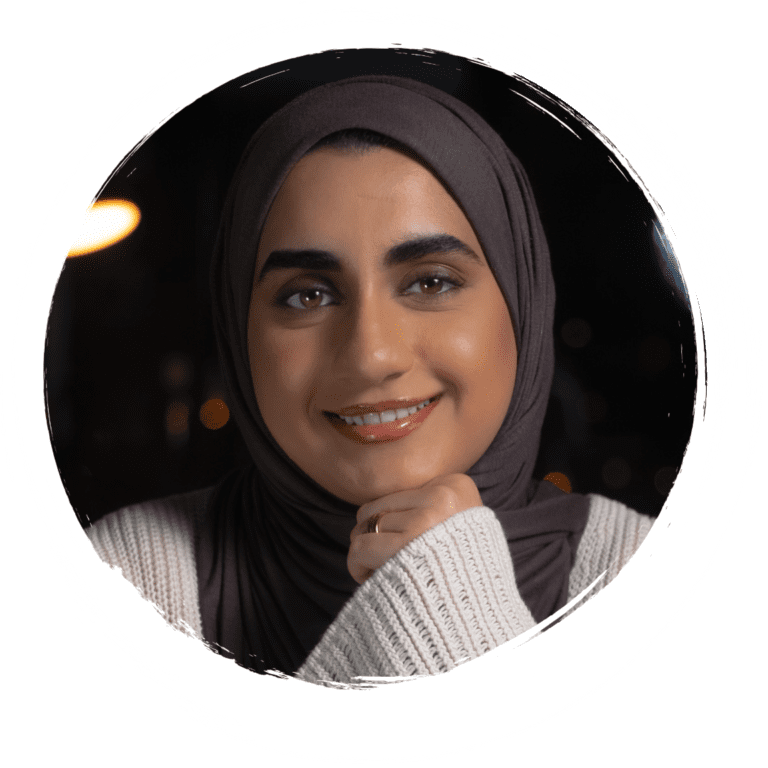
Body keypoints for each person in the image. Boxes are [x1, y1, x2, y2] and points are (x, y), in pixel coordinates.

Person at [86, 76, 652, 685]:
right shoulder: (119, 582)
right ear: (238, 328)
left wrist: (451, 602)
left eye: (430, 282)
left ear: (522, 304)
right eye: (307, 295)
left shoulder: (652, 574)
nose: (371, 355)